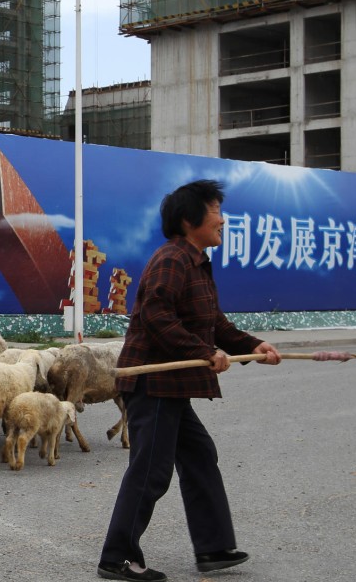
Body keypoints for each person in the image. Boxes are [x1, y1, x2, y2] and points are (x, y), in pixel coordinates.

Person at [96, 179, 282, 582]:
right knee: (150, 470)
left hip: (174, 388)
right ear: (188, 219)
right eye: (215, 211)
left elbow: (214, 323)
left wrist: (256, 346)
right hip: (154, 385)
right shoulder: (172, 259)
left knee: (199, 456)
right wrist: (202, 352)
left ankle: (214, 549)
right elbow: (156, 314)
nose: (222, 220)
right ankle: (117, 558)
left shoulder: (195, 261)